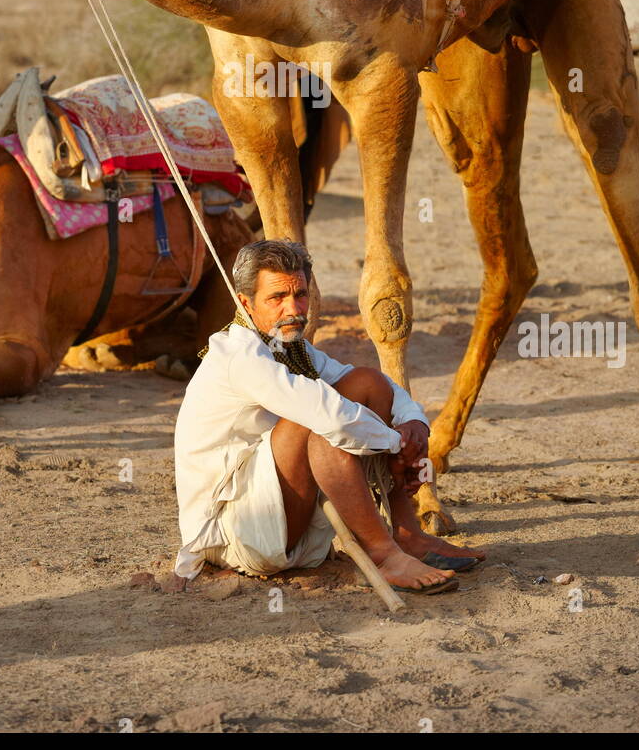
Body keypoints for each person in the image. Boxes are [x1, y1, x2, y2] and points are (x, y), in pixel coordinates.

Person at [173, 238, 485, 594]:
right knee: (320, 424)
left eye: (300, 295)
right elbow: (332, 418)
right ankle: (382, 554)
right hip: (236, 535)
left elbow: (376, 385)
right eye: (276, 298)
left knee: (366, 384)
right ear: (246, 303)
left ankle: (408, 535)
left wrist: (413, 423)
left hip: (284, 523)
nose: (293, 309)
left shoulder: (295, 349)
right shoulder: (240, 355)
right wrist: (399, 444)